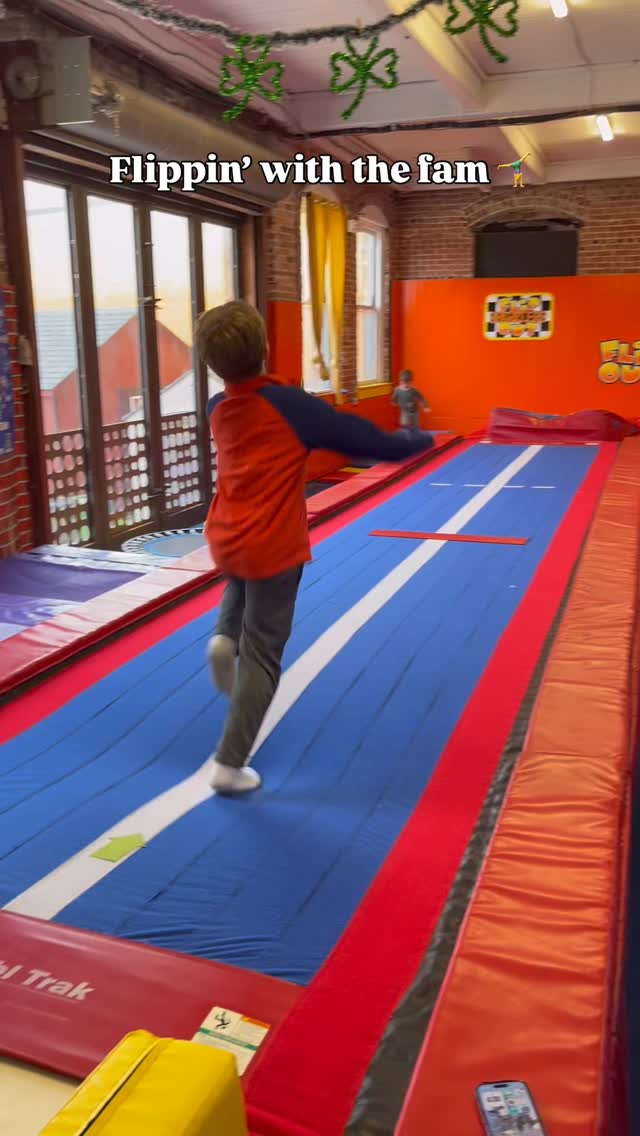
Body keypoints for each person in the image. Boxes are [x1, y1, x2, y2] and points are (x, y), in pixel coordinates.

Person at [195, 300, 437, 795]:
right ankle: (229, 763)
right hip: (271, 543)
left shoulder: (217, 406)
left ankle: (223, 636)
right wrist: (416, 441)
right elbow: (359, 438)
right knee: (262, 654)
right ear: (264, 348)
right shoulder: (289, 406)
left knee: (241, 575)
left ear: (211, 364)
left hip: (227, 535)